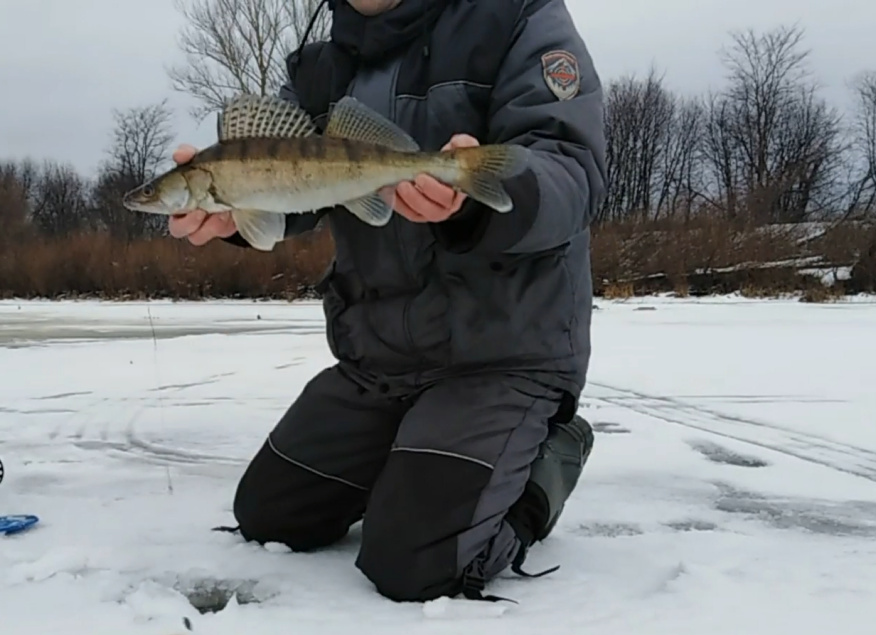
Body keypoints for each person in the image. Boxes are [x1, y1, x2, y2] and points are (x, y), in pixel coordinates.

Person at [169, 0, 606, 603]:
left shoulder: (517, 19)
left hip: (501, 353)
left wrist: (476, 200)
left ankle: (547, 462)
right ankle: (421, 456)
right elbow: (296, 184)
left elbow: (573, 169)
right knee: (272, 516)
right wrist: (234, 219)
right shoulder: (319, 68)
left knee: (415, 561)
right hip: (381, 363)